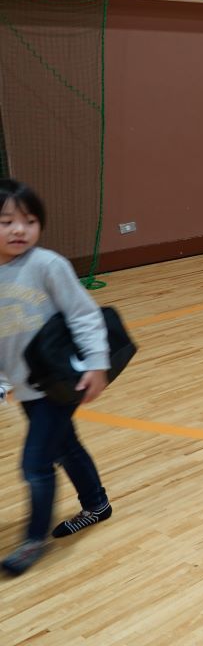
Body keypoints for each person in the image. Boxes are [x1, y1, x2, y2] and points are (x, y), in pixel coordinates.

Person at [0, 180, 113, 576]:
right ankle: (97, 504)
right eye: (6, 222)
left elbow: (84, 314)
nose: (19, 230)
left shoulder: (47, 265)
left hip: (62, 381)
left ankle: (34, 539)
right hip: (27, 388)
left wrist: (96, 363)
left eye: (30, 221)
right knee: (65, 446)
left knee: (35, 464)